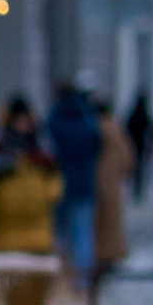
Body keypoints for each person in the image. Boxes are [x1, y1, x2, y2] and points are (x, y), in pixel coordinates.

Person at [0, 95, 60, 305]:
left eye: (26, 121)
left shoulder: (40, 153)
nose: (23, 126)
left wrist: (45, 195)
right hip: (7, 237)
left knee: (36, 290)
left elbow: (55, 183)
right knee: (12, 292)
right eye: (18, 121)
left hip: (38, 235)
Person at [44, 82, 103, 287]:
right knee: (84, 232)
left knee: (61, 232)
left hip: (61, 183)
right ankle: (83, 278)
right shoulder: (87, 117)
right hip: (85, 182)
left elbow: (49, 150)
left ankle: (63, 275)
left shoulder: (55, 119)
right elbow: (97, 145)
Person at [94, 97, 133, 274]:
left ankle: (99, 258)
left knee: (98, 226)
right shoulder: (116, 131)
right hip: (113, 185)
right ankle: (109, 258)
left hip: (95, 183)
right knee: (112, 225)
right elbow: (127, 160)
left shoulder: (93, 130)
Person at [124, 94, 153, 199]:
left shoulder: (133, 115)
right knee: (140, 167)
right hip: (140, 145)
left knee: (136, 166)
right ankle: (138, 188)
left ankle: (136, 187)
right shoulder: (144, 115)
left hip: (134, 145)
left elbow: (127, 130)